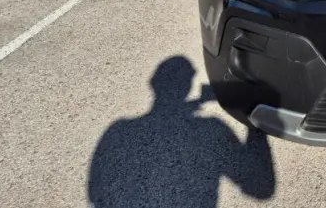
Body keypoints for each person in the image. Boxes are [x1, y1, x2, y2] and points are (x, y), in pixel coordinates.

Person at [88, 56, 275, 207]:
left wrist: (195, 104)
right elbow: (262, 190)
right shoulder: (210, 128)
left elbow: (95, 193)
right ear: (188, 86)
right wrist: (254, 120)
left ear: (153, 84)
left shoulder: (119, 130)